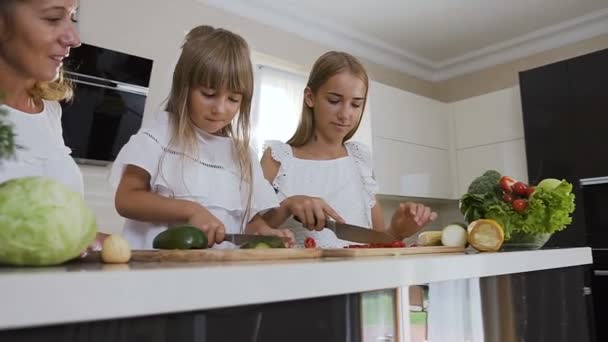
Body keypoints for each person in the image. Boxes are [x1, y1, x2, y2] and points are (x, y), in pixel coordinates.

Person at [110, 25, 293, 249]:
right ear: (183, 86)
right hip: (155, 273)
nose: (220, 109)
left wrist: (266, 233)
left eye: (233, 99)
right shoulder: (161, 133)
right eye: (208, 94)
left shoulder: (243, 155)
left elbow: (250, 223)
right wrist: (191, 210)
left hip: (213, 277)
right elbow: (126, 199)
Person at [261, 51, 437, 247]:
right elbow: (247, 235)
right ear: (310, 97)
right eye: (334, 101)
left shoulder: (359, 159)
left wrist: (397, 231)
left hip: (362, 277)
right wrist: (286, 206)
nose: (345, 114)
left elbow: (377, 242)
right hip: (297, 277)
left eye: (355, 104)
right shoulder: (278, 157)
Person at [0, 0, 107, 247]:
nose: (74, 38)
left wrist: (93, 239)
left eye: (73, 18)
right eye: (53, 19)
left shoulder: (49, 111)